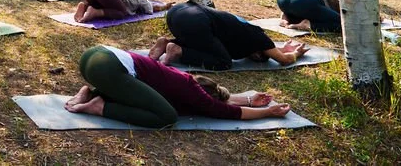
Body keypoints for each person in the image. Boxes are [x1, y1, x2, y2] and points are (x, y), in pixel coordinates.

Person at [65, 45, 293, 128]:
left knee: (140, 98)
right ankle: (99, 106)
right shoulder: (191, 89)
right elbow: (225, 111)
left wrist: (249, 99)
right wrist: (267, 112)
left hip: (96, 58)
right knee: (166, 116)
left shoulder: (181, 81)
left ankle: (91, 93)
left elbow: (223, 101)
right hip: (105, 68)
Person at [148, 2, 309, 70]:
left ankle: (166, 43)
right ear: (259, 52)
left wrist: (280, 48)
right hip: (195, 21)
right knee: (224, 62)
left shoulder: (248, 32)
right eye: (259, 57)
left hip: (177, 12)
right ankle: (178, 50)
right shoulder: (260, 38)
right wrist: (296, 53)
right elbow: (284, 60)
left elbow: (204, 43)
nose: (253, 58)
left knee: (205, 44)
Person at [277, 0, 341, 33]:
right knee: (341, 25)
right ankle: (308, 25)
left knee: (299, 9)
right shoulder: (334, 5)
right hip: (304, 2)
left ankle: (285, 17)